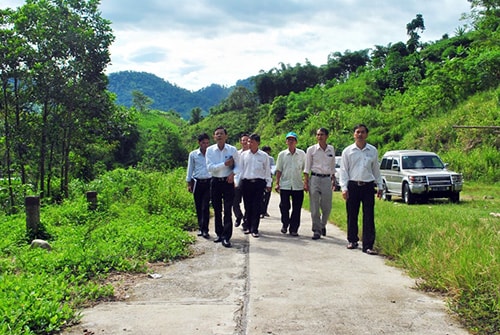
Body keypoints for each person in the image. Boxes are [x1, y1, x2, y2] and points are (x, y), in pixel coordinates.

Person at [339, 124, 383, 255]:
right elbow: (343, 171)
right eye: (357, 132)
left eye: (363, 132)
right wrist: (344, 188)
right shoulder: (348, 151)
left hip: (368, 186)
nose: (360, 134)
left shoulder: (372, 150)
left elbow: (376, 169)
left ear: (367, 134)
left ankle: (368, 245)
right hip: (353, 185)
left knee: (369, 215)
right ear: (354, 134)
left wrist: (380, 186)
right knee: (352, 214)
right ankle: (352, 240)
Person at [206, 126, 238, 248]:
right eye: (216, 134)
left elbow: (238, 166)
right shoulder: (210, 150)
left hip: (228, 182)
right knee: (217, 209)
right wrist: (224, 164)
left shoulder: (232, 150)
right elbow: (210, 167)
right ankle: (219, 234)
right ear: (214, 137)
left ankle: (227, 236)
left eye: (221, 133)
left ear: (226, 136)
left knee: (228, 209)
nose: (219, 135)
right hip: (215, 182)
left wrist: (232, 174)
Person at [237, 133, 272, 238]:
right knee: (248, 206)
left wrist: (268, 183)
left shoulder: (264, 156)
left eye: (251, 142)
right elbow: (240, 170)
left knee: (257, 206)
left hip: (259, 183)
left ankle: (255, 228)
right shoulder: (243, 155)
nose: (249, 144)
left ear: (258, 143)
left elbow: (267, 171)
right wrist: (237, 183)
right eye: (248, 141)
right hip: (246, 183)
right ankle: (247, 226)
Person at [304, 127, 336, 240]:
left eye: (322, 134)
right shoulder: (311, 150)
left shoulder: (331, 149)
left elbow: (332, 166)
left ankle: (322, 225)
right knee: (314, 206)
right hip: (315, 178)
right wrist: (306, 182)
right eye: (318, 134)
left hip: (327, 179)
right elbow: (307, 167)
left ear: (327, 136)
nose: (319, 137)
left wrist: (333, 179)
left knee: (327, 206)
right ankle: (316, 230)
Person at [275, 132, 306, 236]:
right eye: (288, 139)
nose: (290, 141)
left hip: (298, 185)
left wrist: (306, 183)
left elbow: (305, 170)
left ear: (296, 142)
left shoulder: (302, 154)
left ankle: (294, 228)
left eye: (292, 139)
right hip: (285, 184)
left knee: (297, 208)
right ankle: (285, 223)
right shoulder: (282, 154)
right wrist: (277, 183)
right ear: (286, 141)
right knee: (284, 206)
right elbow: (279, 170)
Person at [186, 133, 212, 238]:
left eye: (207, 143)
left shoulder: (211, 153)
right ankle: (201, 227)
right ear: (199, 143)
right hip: (197, 182)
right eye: (203, 143)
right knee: (198, 206)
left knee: (205, 206)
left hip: (209, 182)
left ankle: (205, 229)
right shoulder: (193, 154)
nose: (205, 145)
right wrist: (188, 183)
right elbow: (190, 168)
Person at [233, 133, 250, 228]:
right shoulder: (237, 154)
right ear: (240, 142)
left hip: (247, 181)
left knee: (248, 203)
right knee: (234, 202)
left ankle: (246, 222)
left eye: (247, 140)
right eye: (243, 140)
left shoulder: (252, 154)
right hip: (237, 181)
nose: (245, 142)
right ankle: (239, 216)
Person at [260, 145, 275, 218]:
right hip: (261, 178)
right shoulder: (260, 157)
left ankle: (264, 210)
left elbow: (273, 167)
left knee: (267, 195)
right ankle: (261, 210)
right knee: (261, 195)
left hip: (269, 177)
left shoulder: (271, 159)